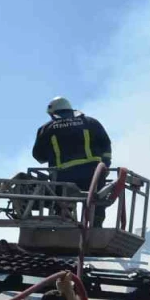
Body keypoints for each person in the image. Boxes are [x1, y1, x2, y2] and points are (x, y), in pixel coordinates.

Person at [31, 96, 112, 226]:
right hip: (93, 174)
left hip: (63, 177)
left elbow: (38, 156)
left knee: (62, 207)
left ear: (53, 113)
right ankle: (95, 228)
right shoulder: (91, 123)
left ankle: (63, 227)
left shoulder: (47, 129)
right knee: (96, 203)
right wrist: (106, 165)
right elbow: (106, 146)